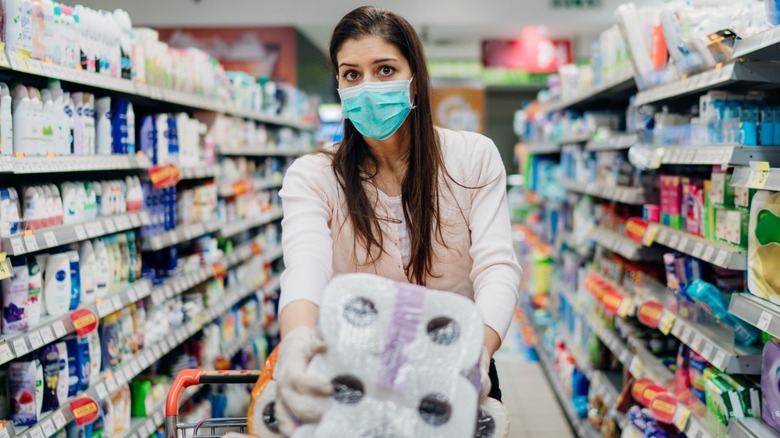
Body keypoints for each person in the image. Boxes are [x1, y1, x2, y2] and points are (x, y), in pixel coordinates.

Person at [273, 5, 521, 435]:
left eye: (385, 69)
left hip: (457, 363)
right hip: (355, 373)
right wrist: (296, 342)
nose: (367, 87)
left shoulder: (473, 158)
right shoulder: (314, 176)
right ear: (339, 84)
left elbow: (497, 266)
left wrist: (477, 353)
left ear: (415, 80)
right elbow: (304, 268)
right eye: (352, 75)